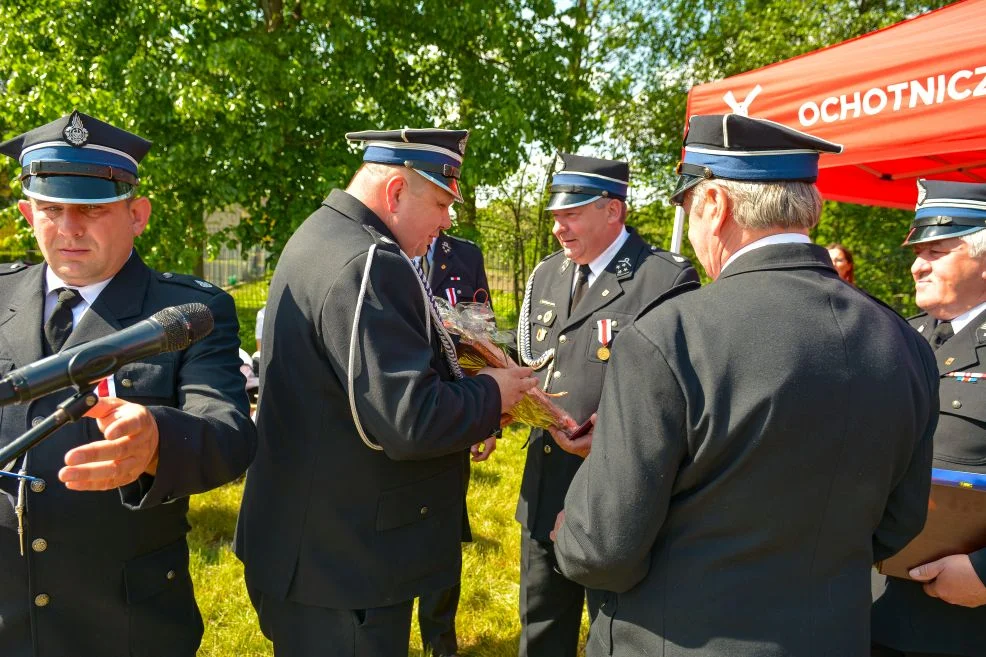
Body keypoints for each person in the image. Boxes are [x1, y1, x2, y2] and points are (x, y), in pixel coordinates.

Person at [551, 114, 939, 657]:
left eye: (687, 210)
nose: (689, 227)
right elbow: (899, 523)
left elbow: (603, 550)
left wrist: (572, 529)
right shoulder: (904, 341)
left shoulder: (671, 336)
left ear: (715, 205)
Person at [234, 128, 536, 657]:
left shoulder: (321, 236)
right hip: (346, 566)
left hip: (309, 548)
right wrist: (494, 393)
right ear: (395, 192)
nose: (446, 222)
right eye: (441, 203)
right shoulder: (372, 260)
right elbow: (409, 420)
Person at [0, 111, 257, 656]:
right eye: (50, 209)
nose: (68, 228)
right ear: (27, 213)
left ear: (137, 214)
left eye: (92, 210)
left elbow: (230, 433)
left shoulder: (187, 310)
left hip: (123, 620)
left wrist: (159, 442)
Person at [513, 152, 699, 657]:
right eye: (555, 216)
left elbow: (680, 394)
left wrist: (612, 436)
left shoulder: (663, 279)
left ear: (612, 210)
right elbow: (531, 356)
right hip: (547, 477)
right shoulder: (549, 274)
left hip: (618, 490)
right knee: (540, 626)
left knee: (616, 632)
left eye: (570, 215)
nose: (558, 228)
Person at [871, 179, 986, 657]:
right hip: (875, 609)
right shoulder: (897, 337)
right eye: (918, 251)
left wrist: (985, 573)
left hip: (963, 621)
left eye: (936, 251)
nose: (917, 265)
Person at [417, 232, 495, 657]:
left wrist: (486, 420)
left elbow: (481, 338)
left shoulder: (463, 255)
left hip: (453, 413)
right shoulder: (383, 249)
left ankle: (439, 640)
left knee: (444, 533)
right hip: (401, 412)